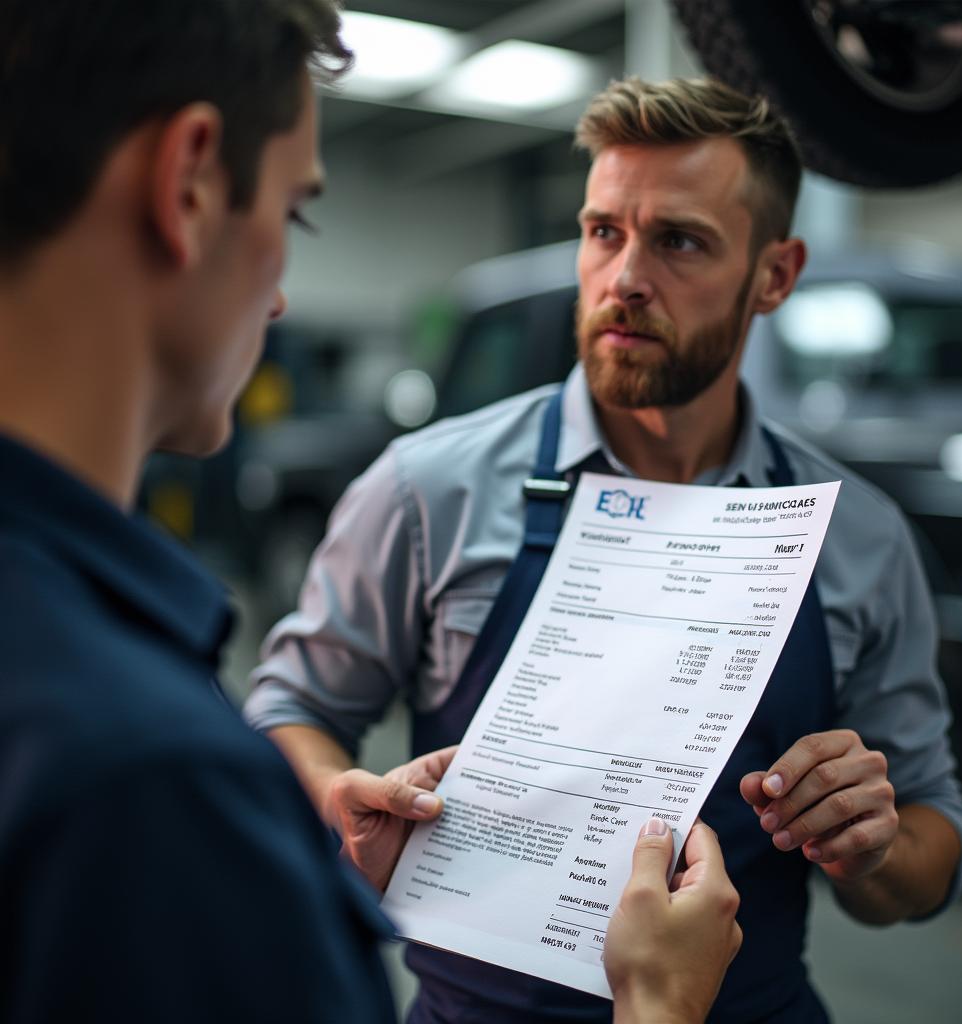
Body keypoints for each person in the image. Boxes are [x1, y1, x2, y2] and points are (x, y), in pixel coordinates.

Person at [0, 4, 741, 1023]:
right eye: (294, 213)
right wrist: (658, 1005)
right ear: (189, 182)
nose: (280, 301)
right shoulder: (149, 780)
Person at [246, 76, 962, 1023]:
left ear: (775, 275)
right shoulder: (430, 489)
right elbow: (290, 704)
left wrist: (876, 850)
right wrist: (335, 793)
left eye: (678, 241)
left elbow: (933, 836)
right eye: (603, 232)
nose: (625, 276)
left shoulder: (857, 538)